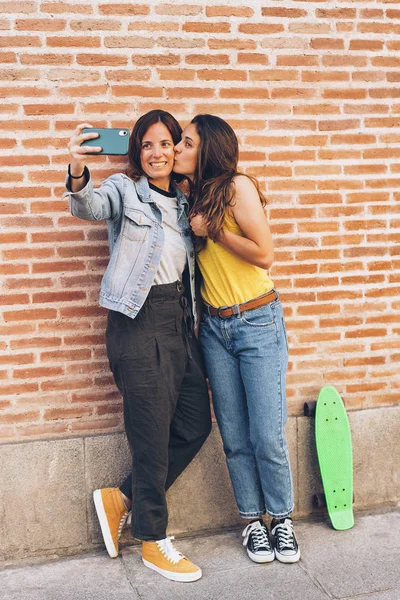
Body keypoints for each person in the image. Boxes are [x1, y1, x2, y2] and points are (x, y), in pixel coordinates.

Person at [65, 110, 212, 582]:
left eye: (165, 144)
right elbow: (87, 205)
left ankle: (122, 498)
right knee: (150, 435)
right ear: (137, 153)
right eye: (146, 145)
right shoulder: (125, 191)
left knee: (193, 424)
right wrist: (76, 170)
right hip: (138, 317)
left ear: (176, 150)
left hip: (179, 321)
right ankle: (153, 540)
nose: (156, 153)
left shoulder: (186, 204)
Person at [173, 114, 300, 564]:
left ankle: (281, 519)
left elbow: (265, 254)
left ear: (206, 150)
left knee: (266, 433)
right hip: (215, 329)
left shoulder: (237, 187)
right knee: (234, 435)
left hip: (257, 322)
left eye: (185, 142)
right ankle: (252, 522)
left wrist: (217, 232)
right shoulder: (188, 194)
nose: (176, 148)